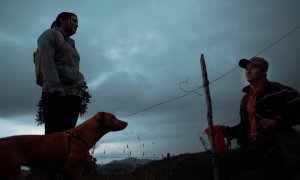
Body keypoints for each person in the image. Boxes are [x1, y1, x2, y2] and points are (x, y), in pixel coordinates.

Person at [220, 56, 300, 180]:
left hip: (274, 146)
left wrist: (276, 120)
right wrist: (227, 131)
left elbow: (297, 107)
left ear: (263, 71)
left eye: (253, 67)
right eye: (246, 68)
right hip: (252, 145)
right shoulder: (245, 99)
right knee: (225, 164)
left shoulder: (279, 90)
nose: (248, 71)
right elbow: (245, 127)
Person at [37, 12, 86, 135]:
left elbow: (73, 68)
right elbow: (47, 62)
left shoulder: (71, 44)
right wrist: (57, 91)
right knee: (54, 139)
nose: (77, 24)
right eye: (74, 20)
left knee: (67, 138)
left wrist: (80, 89)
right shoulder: (49, 34)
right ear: (62, 20)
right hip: (56, 94)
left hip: (74, 95)